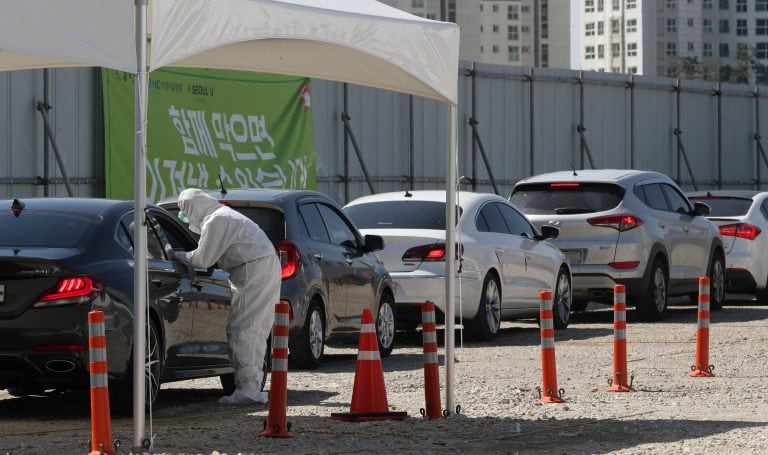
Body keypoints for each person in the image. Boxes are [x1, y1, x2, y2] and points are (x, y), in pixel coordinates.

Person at [174, 188, 281, 405]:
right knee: (256, 330)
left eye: (184, 210)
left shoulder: (217, 220)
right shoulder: (224, 215)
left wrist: (175, 254)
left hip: (253, 271)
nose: (185, 217)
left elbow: (202, 259)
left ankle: (248, 390)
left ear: (194, 207)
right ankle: (252, 386)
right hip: (263, 268)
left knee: (243, 329)